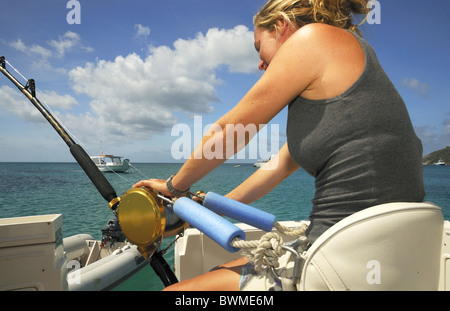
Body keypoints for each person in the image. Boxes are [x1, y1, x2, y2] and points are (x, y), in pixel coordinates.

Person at [133, 0, 425, 291]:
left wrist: (174, 187)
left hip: (338, 260)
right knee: (221, 270)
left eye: (259, 46)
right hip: (391, 256)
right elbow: (277, 167)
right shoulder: (346, 69)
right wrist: (209, 210)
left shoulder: (314, 39)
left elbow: (233, 130)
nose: (259, 63)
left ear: (282, 27)